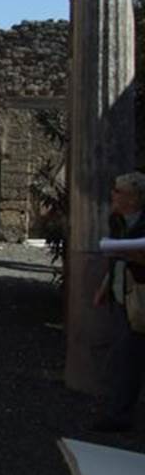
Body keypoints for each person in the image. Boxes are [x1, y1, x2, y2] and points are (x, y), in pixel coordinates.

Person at [92, 171, 145, 431]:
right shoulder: (118, 220)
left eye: (118, 191)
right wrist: (105, 287)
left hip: (139, 298)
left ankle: (119, 415)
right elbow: (115, 257)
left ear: (133, 199)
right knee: (125, 356)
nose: (112, 195)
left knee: (129, 359)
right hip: (123, 295)